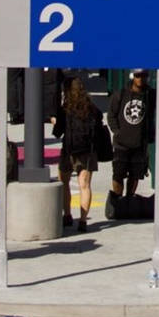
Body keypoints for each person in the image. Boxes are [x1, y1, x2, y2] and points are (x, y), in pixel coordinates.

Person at [52, 76, 101, 233]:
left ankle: (67, 215)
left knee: (64, 182)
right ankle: (83, 220)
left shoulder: (65, 109)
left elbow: (57, 133)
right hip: (88, 152)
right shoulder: (92, 109)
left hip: (69, 151)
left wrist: (55, 122)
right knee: (85, 186)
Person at [106, 69, 154, 203]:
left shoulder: (150, 94)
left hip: (139, 144)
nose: (141, 79)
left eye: (144, 76)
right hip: (121, 144)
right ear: (133, 77)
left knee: (135, 174)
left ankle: (129, 199)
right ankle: (117, 200)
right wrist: (117, 132)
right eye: (138, 76)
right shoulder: (121, 94)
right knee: (118, 174)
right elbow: (111, 115)